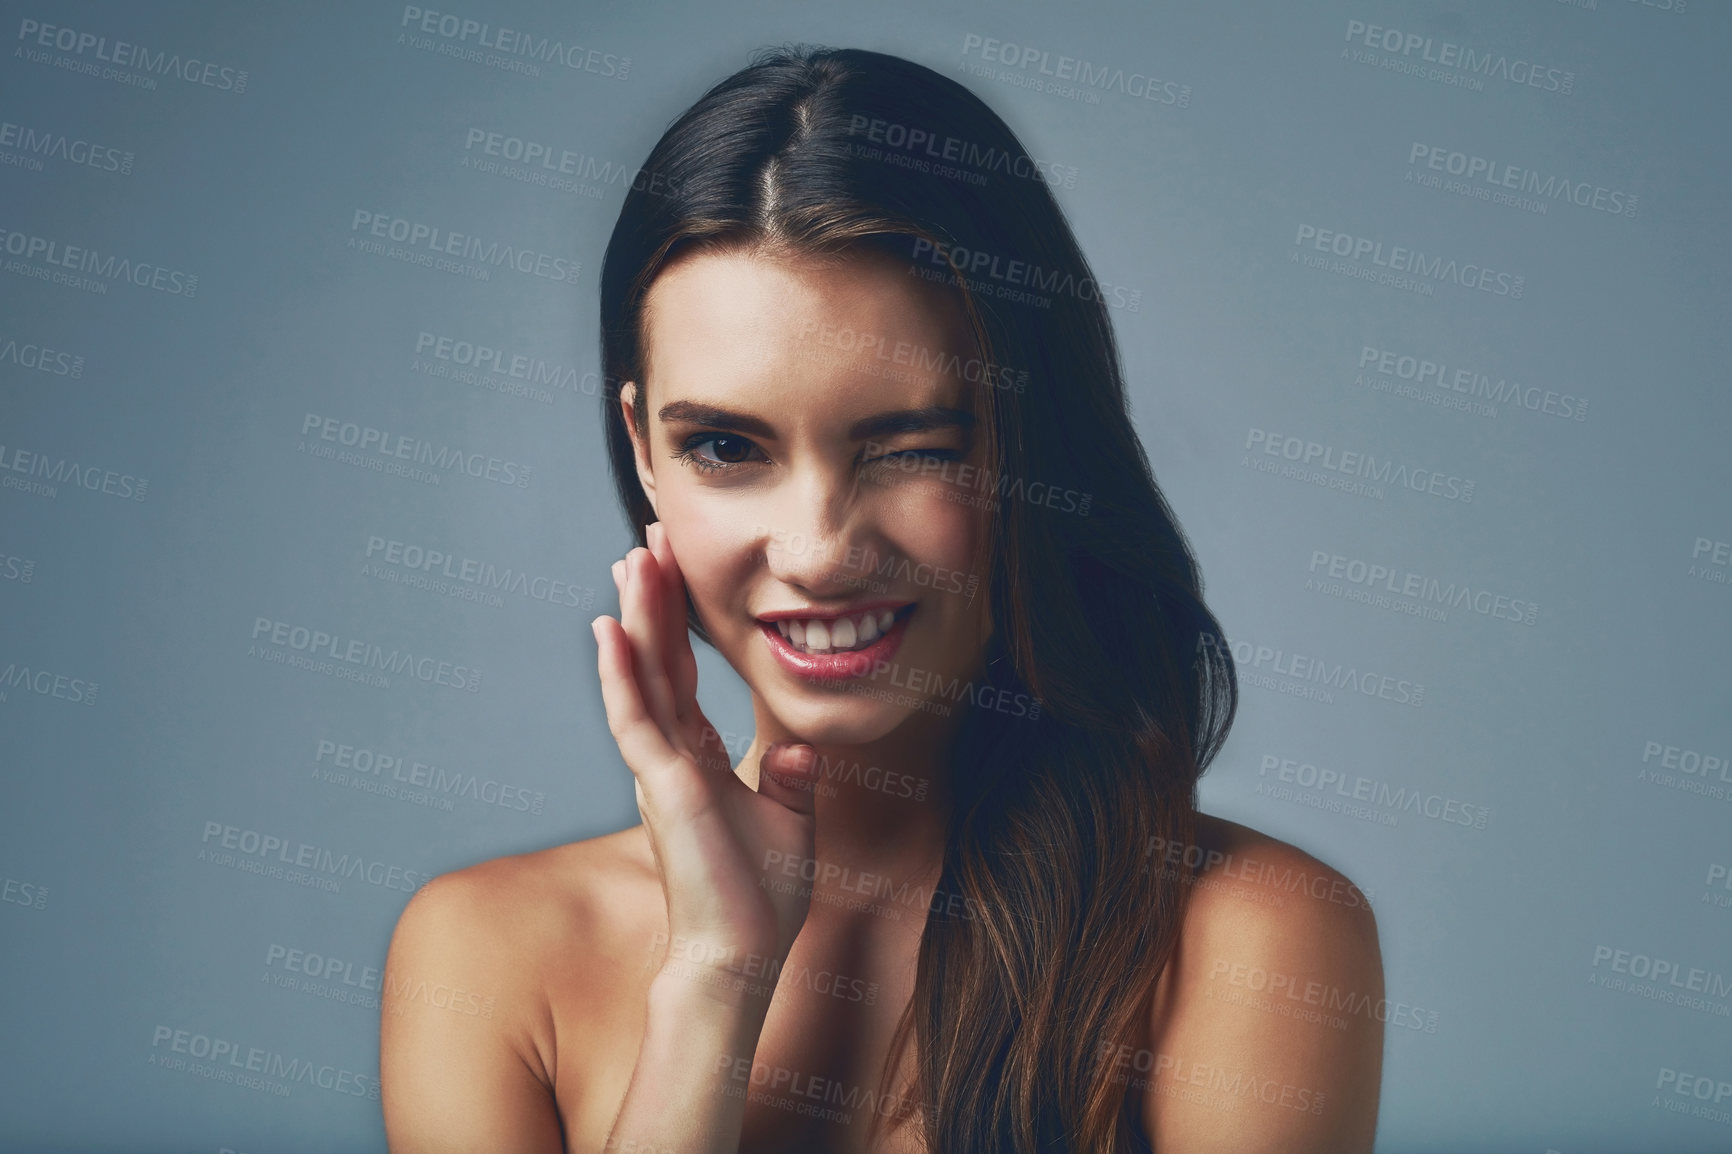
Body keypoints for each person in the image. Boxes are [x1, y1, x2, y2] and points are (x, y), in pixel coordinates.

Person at [380, 45, 1384, 1154]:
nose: (816, 551)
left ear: (1028, 447)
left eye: (909, 448)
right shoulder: (484, 954)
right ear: (644, 452)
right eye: (725, 445)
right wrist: (716, 973)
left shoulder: (1244, 939)